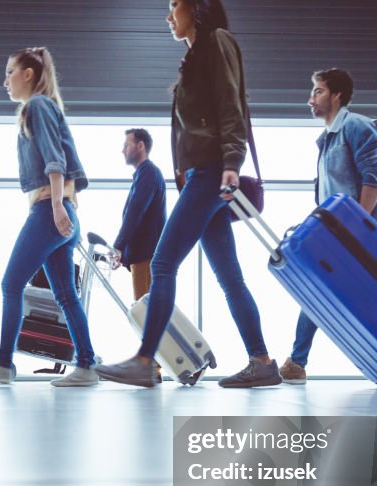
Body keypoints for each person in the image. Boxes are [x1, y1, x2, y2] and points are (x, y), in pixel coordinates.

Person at [95, 0, 280, 389]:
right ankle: (262, 361)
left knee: (162, 265)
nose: (168, 15)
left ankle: (146, 360)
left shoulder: (217, 41)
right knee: (230, 278)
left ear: (196, 7)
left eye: (174, 5)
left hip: (213, 171)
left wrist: (232, 161)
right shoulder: (195, 58)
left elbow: (232, 104)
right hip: (203, 173)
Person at [0, 47, 99, 387]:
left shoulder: (37, 105)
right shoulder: (39, 108)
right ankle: (86, 365)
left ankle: (3, 362)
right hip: (60, 212)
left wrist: (54, 208)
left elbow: (55, 160)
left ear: (28, 74)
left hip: (50, 212)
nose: (5, 80)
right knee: (66, 295)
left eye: (10, 72)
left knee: (11, 284)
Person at [279, 68, 377, 385]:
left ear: (337, 95)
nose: (310, 99)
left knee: (349, 295)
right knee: (317, 290)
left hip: (358, 233)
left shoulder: (356, 126)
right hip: (334, 232)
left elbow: (375, 177)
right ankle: (297, 362)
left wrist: (358, 225)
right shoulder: (327, 138)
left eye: (318, 91)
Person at [111, 128, 166, 304]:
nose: (122, 150)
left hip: (146, 256)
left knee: (146, 313)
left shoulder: (148, 172)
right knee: (145, 311)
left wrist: (118, 246)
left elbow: (135, 211)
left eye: (127, 145)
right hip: (142, 256)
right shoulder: (144, 174)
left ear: (140, 145)